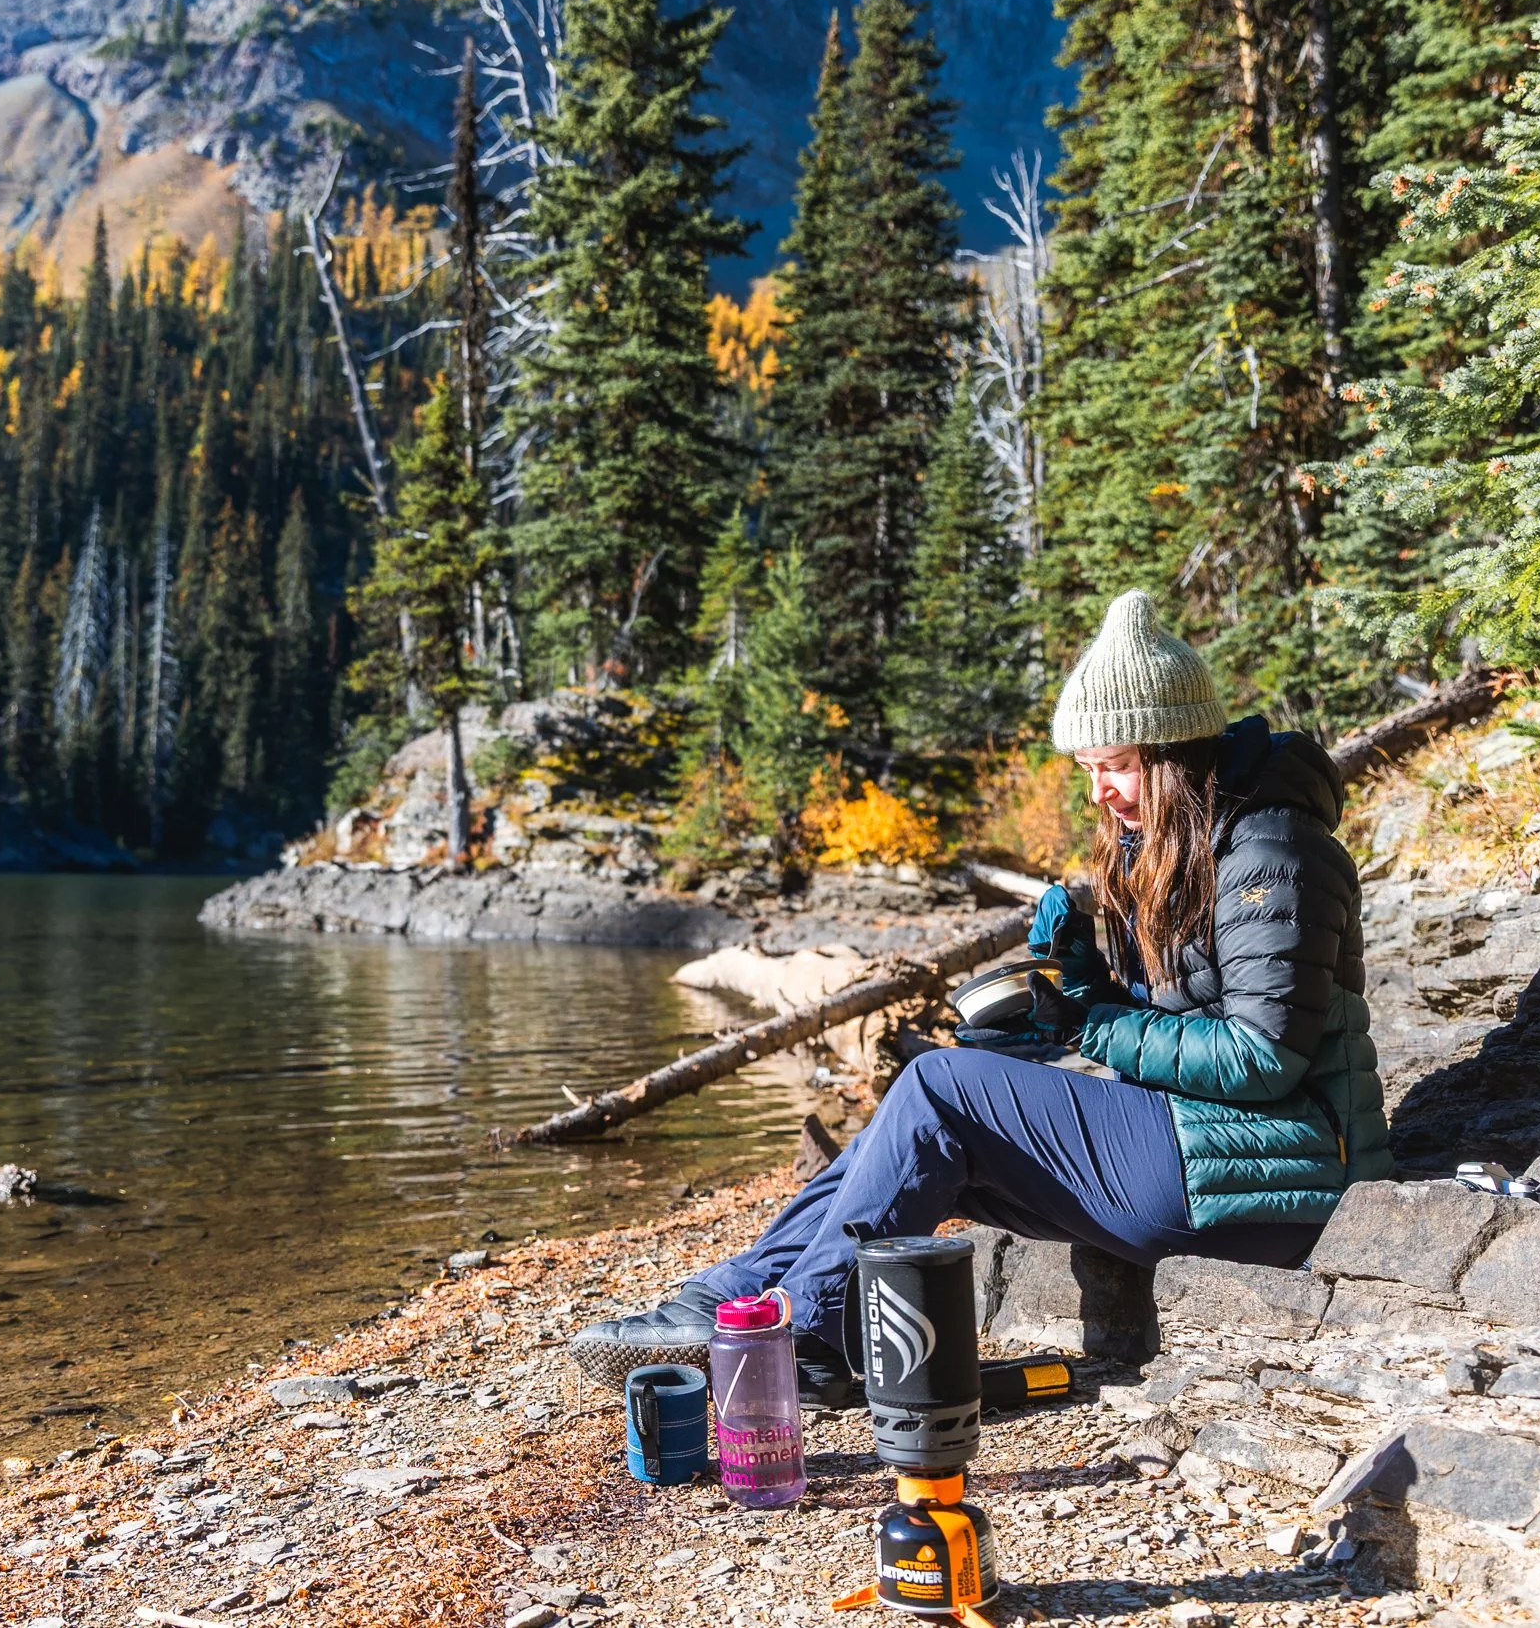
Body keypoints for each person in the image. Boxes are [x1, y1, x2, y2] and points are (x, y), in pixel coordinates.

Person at [569, 589, 1394, 1395]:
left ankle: (804, 1322)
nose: (1097, 792)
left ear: (1172, 757)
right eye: (1088, 770)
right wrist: (1085, 977)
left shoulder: (1273, 852)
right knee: (910, 1133)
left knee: (936, 1087)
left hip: (1279, 1172)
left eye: (1114, 768)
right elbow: (1184, 1021)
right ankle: (733, 1298)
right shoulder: (1187, 841)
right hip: (1209, 1149)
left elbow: (1260, 1057)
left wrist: (1095, 1021)